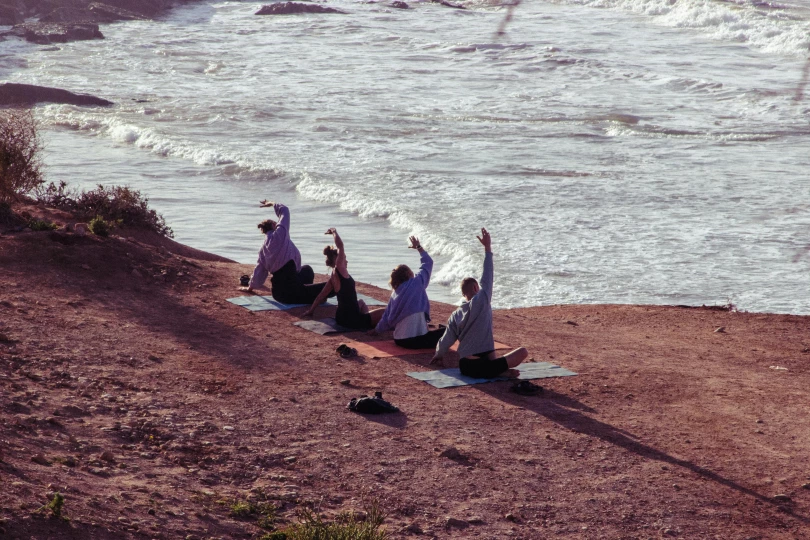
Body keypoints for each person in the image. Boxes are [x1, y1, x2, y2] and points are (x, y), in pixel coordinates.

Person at [431, 228, 528, 378]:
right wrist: (488, 248)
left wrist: (438, 354)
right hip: (481, 367)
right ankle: (498, 372)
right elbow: (487, 276)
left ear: (464, 294)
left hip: (466, 367)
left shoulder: (455, 314)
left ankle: (498, 371)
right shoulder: (482, 299)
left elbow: (446, 340)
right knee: (523, 352)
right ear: (476, 288)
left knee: (489, 349)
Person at [240, 200, 332, 304]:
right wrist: (273, 203)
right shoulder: (280, 234)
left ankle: (309, 294)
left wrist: (250, 287)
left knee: (307, 270)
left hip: (279, 295)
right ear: (275, 225)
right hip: (291, 292)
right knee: (333, 285)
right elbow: (285, 211)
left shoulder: (262, 250)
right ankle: (311, 295)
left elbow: (259, 271)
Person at [303, 228, 386, 329]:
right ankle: (368, 324)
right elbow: (340, 246)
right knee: (385, 311)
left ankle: (366, 321)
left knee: (361, 302)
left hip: (341, 318)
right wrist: (334, 232)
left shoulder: (332, 278)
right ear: (337, 260)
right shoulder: (340, 269)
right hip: (351, 320)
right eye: (345, 258)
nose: (346, 261)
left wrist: (310, 311)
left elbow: (321, 296)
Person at [371, 236, 445, 349]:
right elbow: (428, 262)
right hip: (416, 340)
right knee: (447, 331)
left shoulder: (394, 293)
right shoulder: (417, 282)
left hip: (399, 340)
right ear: (409, 274)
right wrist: (419, 247)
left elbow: (386, 316)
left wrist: (376, 331)